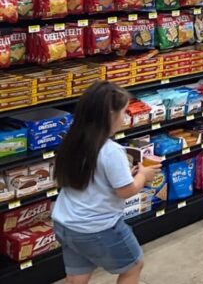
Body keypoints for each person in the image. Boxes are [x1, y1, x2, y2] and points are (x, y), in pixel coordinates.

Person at [52, 82, 160, 284]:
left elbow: (93, 178)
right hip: (98, 228)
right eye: (124, 112)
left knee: (77, 276)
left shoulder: (73, 141)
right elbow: (126, 191)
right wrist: (143, 175)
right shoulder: (111, 151)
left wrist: (129, 174)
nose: (125, 118)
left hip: (65, 223)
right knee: (134, 266)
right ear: (110, 115)